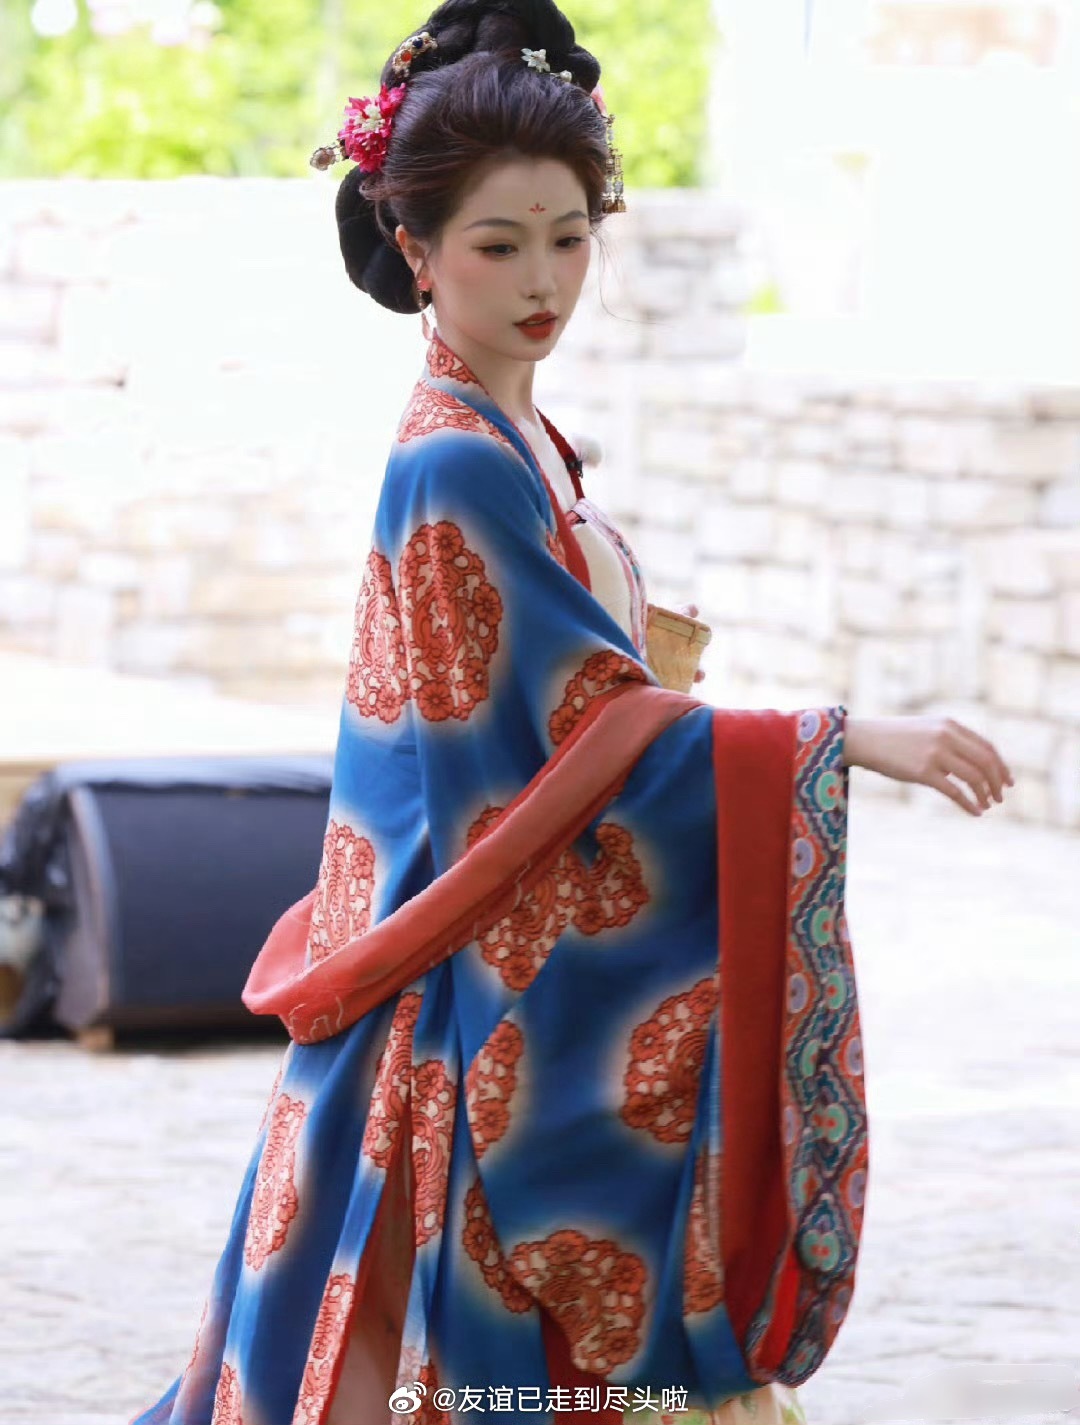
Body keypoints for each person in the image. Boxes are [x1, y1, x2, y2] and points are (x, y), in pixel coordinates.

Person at [128, 4, 1014, 1423]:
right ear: (416, 248)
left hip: (445, 960)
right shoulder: (455, 464)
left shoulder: (520, 436)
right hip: (449, 1001)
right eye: (499, 244)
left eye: (569, 236)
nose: (544, 279)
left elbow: (578, 700)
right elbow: (563, 741)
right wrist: (846, 740)